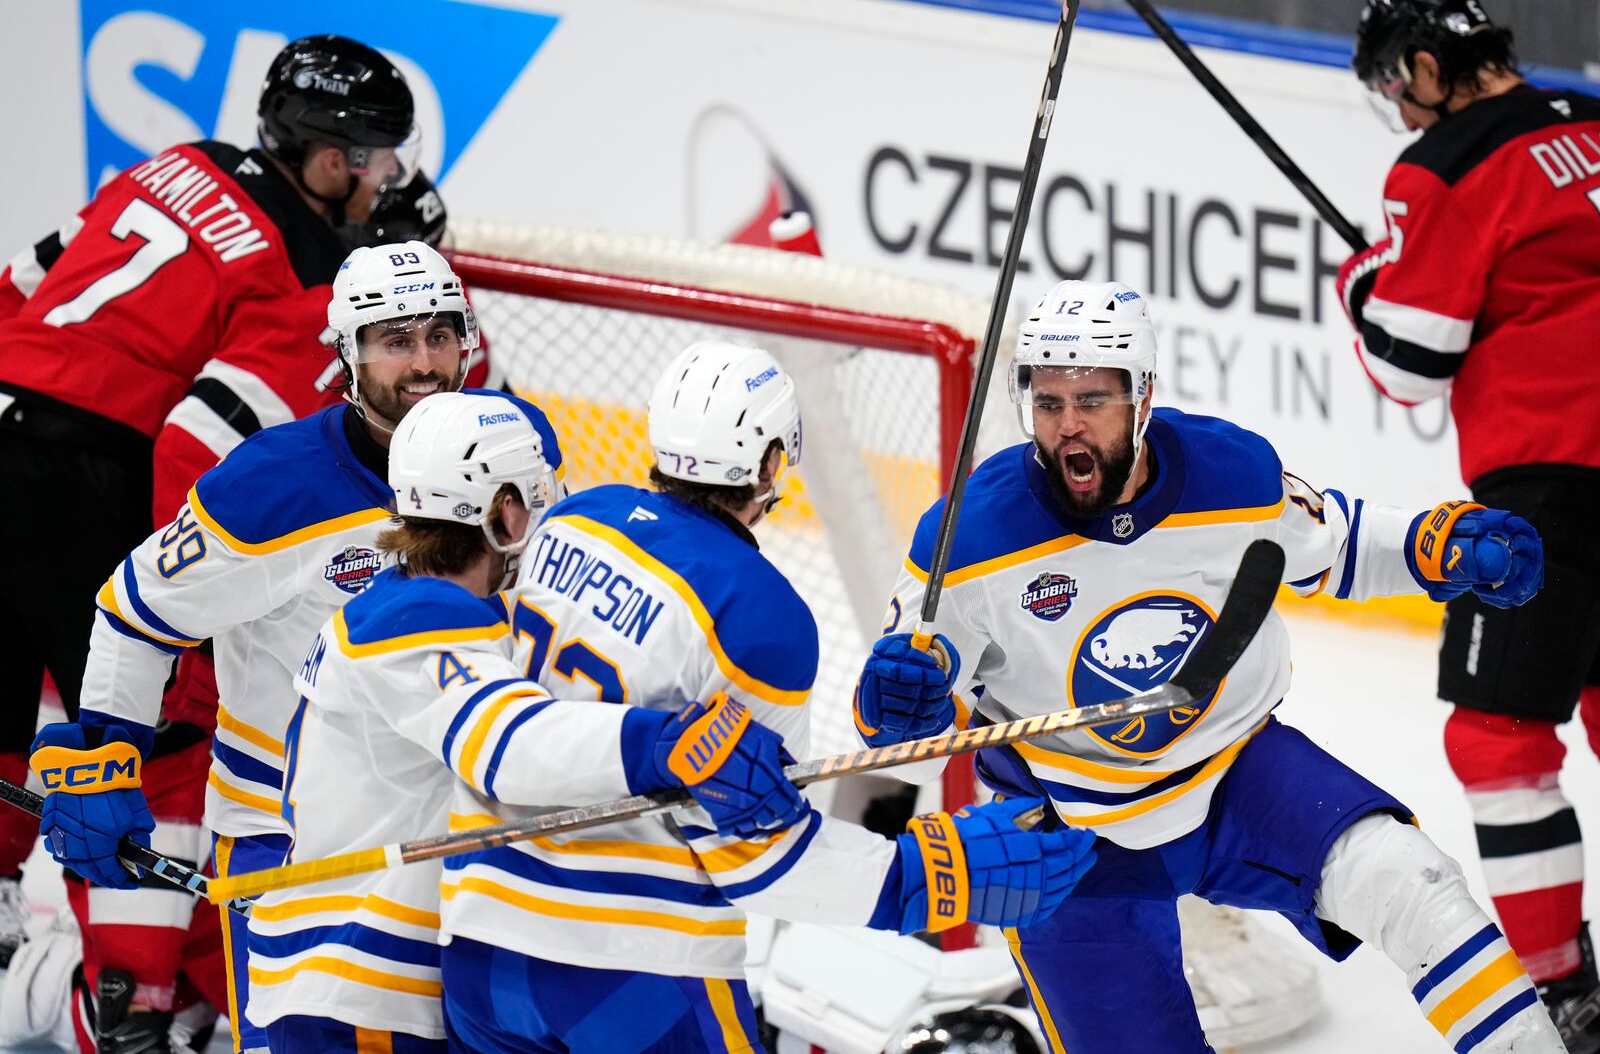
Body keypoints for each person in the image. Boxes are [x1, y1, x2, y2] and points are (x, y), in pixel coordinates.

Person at [853, 280, 1562, 1052]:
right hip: (1069, 834)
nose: (1068, 426)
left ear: (1144, 395)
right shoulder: (969, 536)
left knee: (1415, 884)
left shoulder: (1230, 475)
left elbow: (1338, 545)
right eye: (1050, 403)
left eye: (1092, 399)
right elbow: (899, 702)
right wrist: (900, 704)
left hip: (1239, 774)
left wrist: (1436, 544)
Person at [391, 340, 1094, 1052]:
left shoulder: (570, 521)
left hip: (480, 949)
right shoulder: (762, 613)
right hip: (630, 971)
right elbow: (759, 854)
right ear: (767, 464)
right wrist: (923, 875)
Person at [26, 240, 563, 1054]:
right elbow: (136, 609)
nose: (424, 363)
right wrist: (109, 749)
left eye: (440, 336)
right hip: (297, 841)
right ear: (346, 355)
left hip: (458, 821)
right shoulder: (270, 488)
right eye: (396, 340)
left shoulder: (514, 450)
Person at [0, 33, 419, 1043]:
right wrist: (178, 595)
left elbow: (22, 281)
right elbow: (192, 440)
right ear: (328, 158)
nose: (376, 178)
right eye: (370, 157)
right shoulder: (303, 270)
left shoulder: (173, 162)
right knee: (164, 734)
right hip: (89, 473)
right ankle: (127, 1000)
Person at [1339, 0, 1600, 1047]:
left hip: (1547, 484)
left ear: (1423, 68)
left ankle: (1560, 987)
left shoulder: (1441, 165)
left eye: (1396, 86)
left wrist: (1362, 277)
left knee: (1497, 738)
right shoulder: (1582, 124)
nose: (1399, 110)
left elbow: (1409, 360)